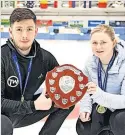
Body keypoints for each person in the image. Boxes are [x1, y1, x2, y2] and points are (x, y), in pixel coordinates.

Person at [1, 8, 74, 135]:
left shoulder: (45, 58)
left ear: (35, 31)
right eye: (19, 29)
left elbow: (63, 86)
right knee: (3, 125)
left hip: (27, 112)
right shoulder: (2, 57)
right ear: (10, 32)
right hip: (3, 115)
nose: (24, 35)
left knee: (66, 102)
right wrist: (34, 105)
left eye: (29, 29)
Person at [76, 24, 125, 135]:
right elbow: (85, 90)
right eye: (94, 43)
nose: (98, 47)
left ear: (113, 43)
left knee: (120, 121)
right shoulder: (90, 63)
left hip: (121, 110)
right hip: (104, 106)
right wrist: (85, 108)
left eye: (103, 42)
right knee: (84, 127)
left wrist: (99, 95)